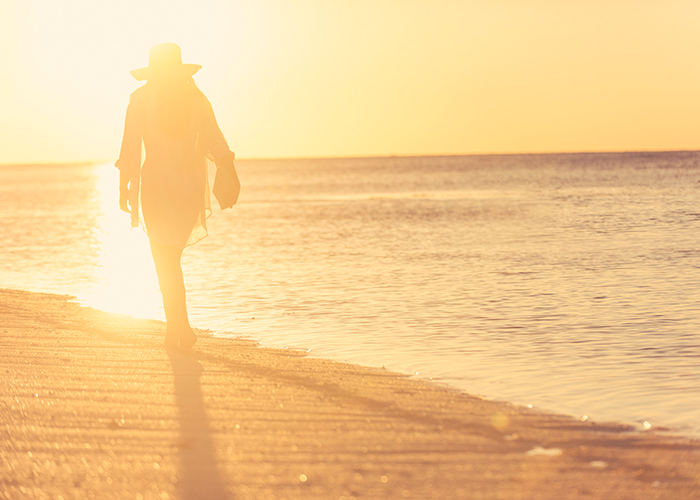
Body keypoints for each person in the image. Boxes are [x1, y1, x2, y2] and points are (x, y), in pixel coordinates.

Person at [116, 43, 240, 353]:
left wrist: (124, 188)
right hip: (188, 190)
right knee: (172, 261)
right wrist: (230, 173)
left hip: (156, 189)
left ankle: (178, 329)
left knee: (165, 262)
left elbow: (129, 149)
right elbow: (218, 144)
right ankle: (178, 328)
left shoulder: (140, 100)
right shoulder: (196, 100)